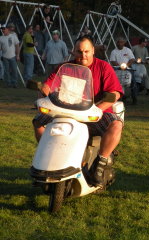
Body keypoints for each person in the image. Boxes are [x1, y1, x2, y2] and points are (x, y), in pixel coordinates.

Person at [32, 35, 124, 187]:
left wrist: (98, 109)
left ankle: (99, 165)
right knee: (38, 121)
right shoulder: (64, 67)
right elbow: (49, 85)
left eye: (87, 51)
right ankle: (45, 160)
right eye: (79, 51)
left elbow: (116, 93)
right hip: (64, 112)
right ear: (73, 52)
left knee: (116, 125)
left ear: (93, 51)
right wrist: (44, 90)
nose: (83, 55)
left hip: (93, 113)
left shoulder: (103, 67)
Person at [110, 37, 136, 103]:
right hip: (117, 69)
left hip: (127, 69)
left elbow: (132, 59)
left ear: (124, 43)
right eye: (118, 42)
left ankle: (134, 98)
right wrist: (119, 66)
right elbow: (112, 61)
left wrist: (127, 65)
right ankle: (118, 96)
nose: (119, 43)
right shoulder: (114, 51)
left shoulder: (128, 50)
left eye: (121, 42)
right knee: (115, 83)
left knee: (133, 82)